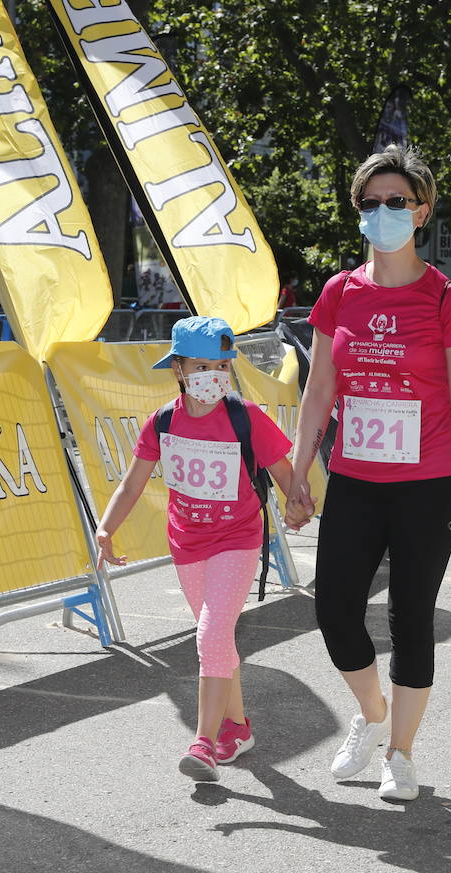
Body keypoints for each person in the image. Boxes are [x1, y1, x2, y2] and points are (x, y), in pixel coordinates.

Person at [284, 144, 451, 802]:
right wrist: (299, 476)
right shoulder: (338, 293)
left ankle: (399, 755)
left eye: (396, 202)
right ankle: (373, 713)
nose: (383, 212)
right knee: (334, 611)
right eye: (371, 203)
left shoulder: (447, 298)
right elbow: (318, 392)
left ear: (422, 211)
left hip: (427, 484)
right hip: (353, 480)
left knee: (412, 617)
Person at [95, 315, 294, 783]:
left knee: (209, 635)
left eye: (221, 366)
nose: (213, 375)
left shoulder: (246, 417)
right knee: (218, 638)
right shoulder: (162, 421)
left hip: (238, 540)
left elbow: (286, 476)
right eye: (202, 365)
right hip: (187, 544)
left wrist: (301, 502)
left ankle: (203, 743)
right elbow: (131, 483)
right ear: (178, 369)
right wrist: (105, 529)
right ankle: (239, 729)